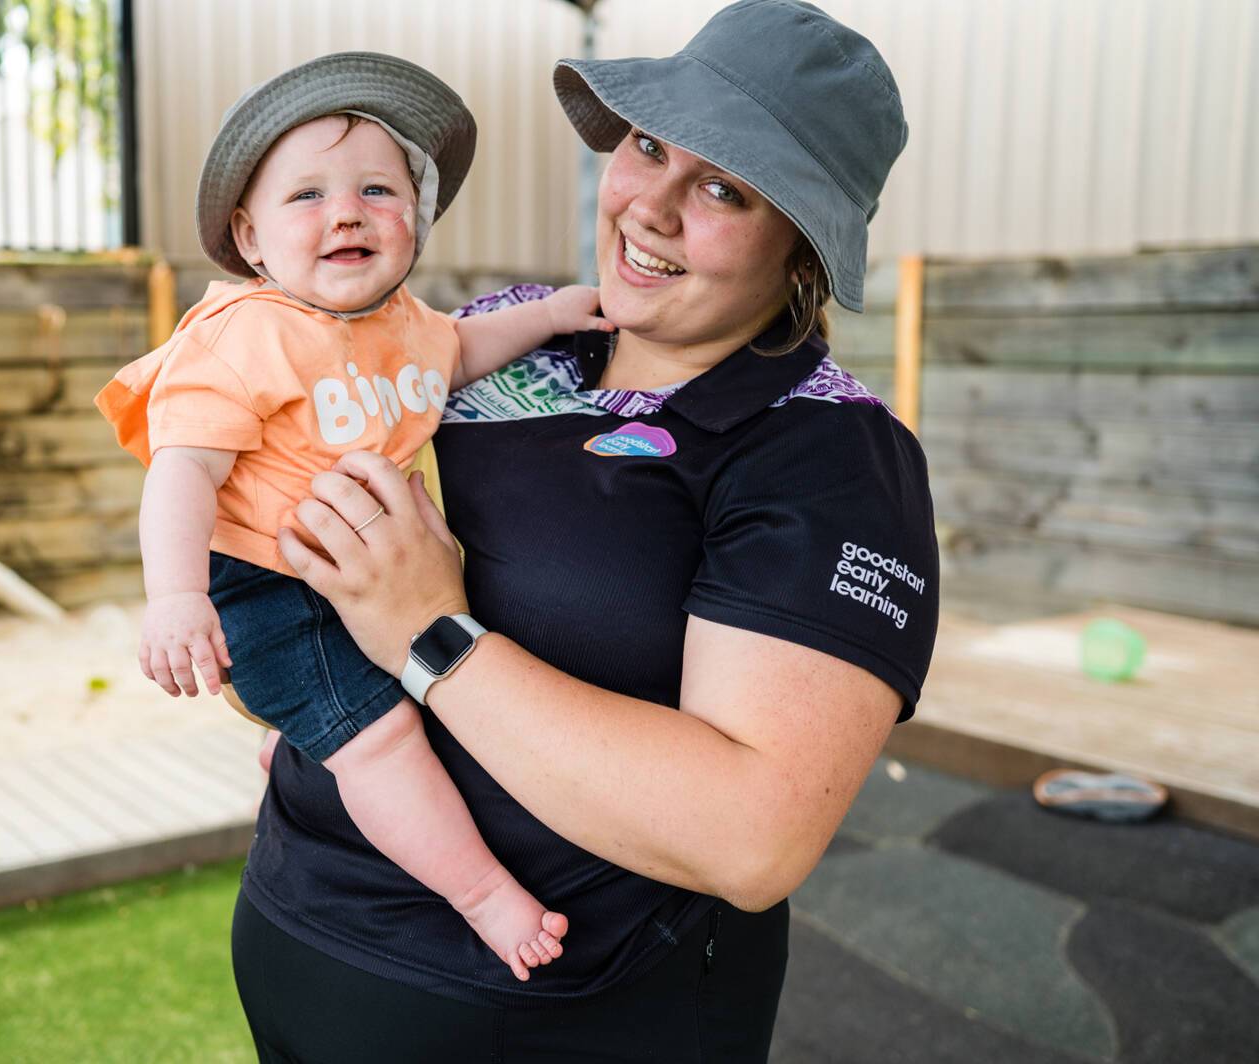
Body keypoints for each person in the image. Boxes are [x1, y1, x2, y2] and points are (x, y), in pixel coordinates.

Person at [231, 2, 940, 1060]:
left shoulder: (827, 453)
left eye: (720, 186)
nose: (646, 206)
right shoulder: (513, 332)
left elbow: (752, 835)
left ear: (799, 243)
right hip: (299, 921)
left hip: (556, 1009)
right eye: (648, 145)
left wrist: (427, 633)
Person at [94, 52, 612, 981]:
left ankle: (298, 729)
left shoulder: (405, 321)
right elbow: (181, 473)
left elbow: (463, 349)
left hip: (360, 568)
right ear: (251, 238)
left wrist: (554, 313)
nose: (346, 211)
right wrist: (174, 597)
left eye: (378, 189)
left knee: (421, 674)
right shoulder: (244, 336)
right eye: (307, 197)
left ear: (415, 220)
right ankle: (485, 896)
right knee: (383, 741)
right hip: (268, 584)